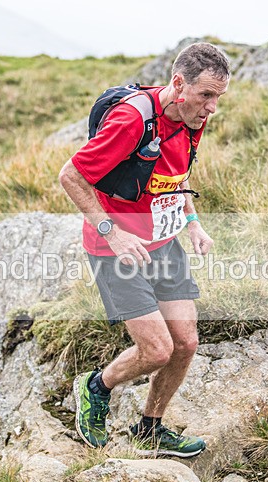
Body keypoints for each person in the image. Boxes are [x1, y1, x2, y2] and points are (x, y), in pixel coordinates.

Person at [58, 42, 230, 457]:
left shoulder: (193, 117)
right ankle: (96, 387)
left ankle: (150, 428)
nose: (211, 108)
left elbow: (177, 174)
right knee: (157, 350)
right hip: (115, 248)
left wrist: (192, 222)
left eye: (219, 98)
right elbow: (70, 176)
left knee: (185, 342)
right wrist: (112, 232)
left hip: (162, 241)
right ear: (178, 84)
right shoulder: (131, 121)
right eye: (206, 95)